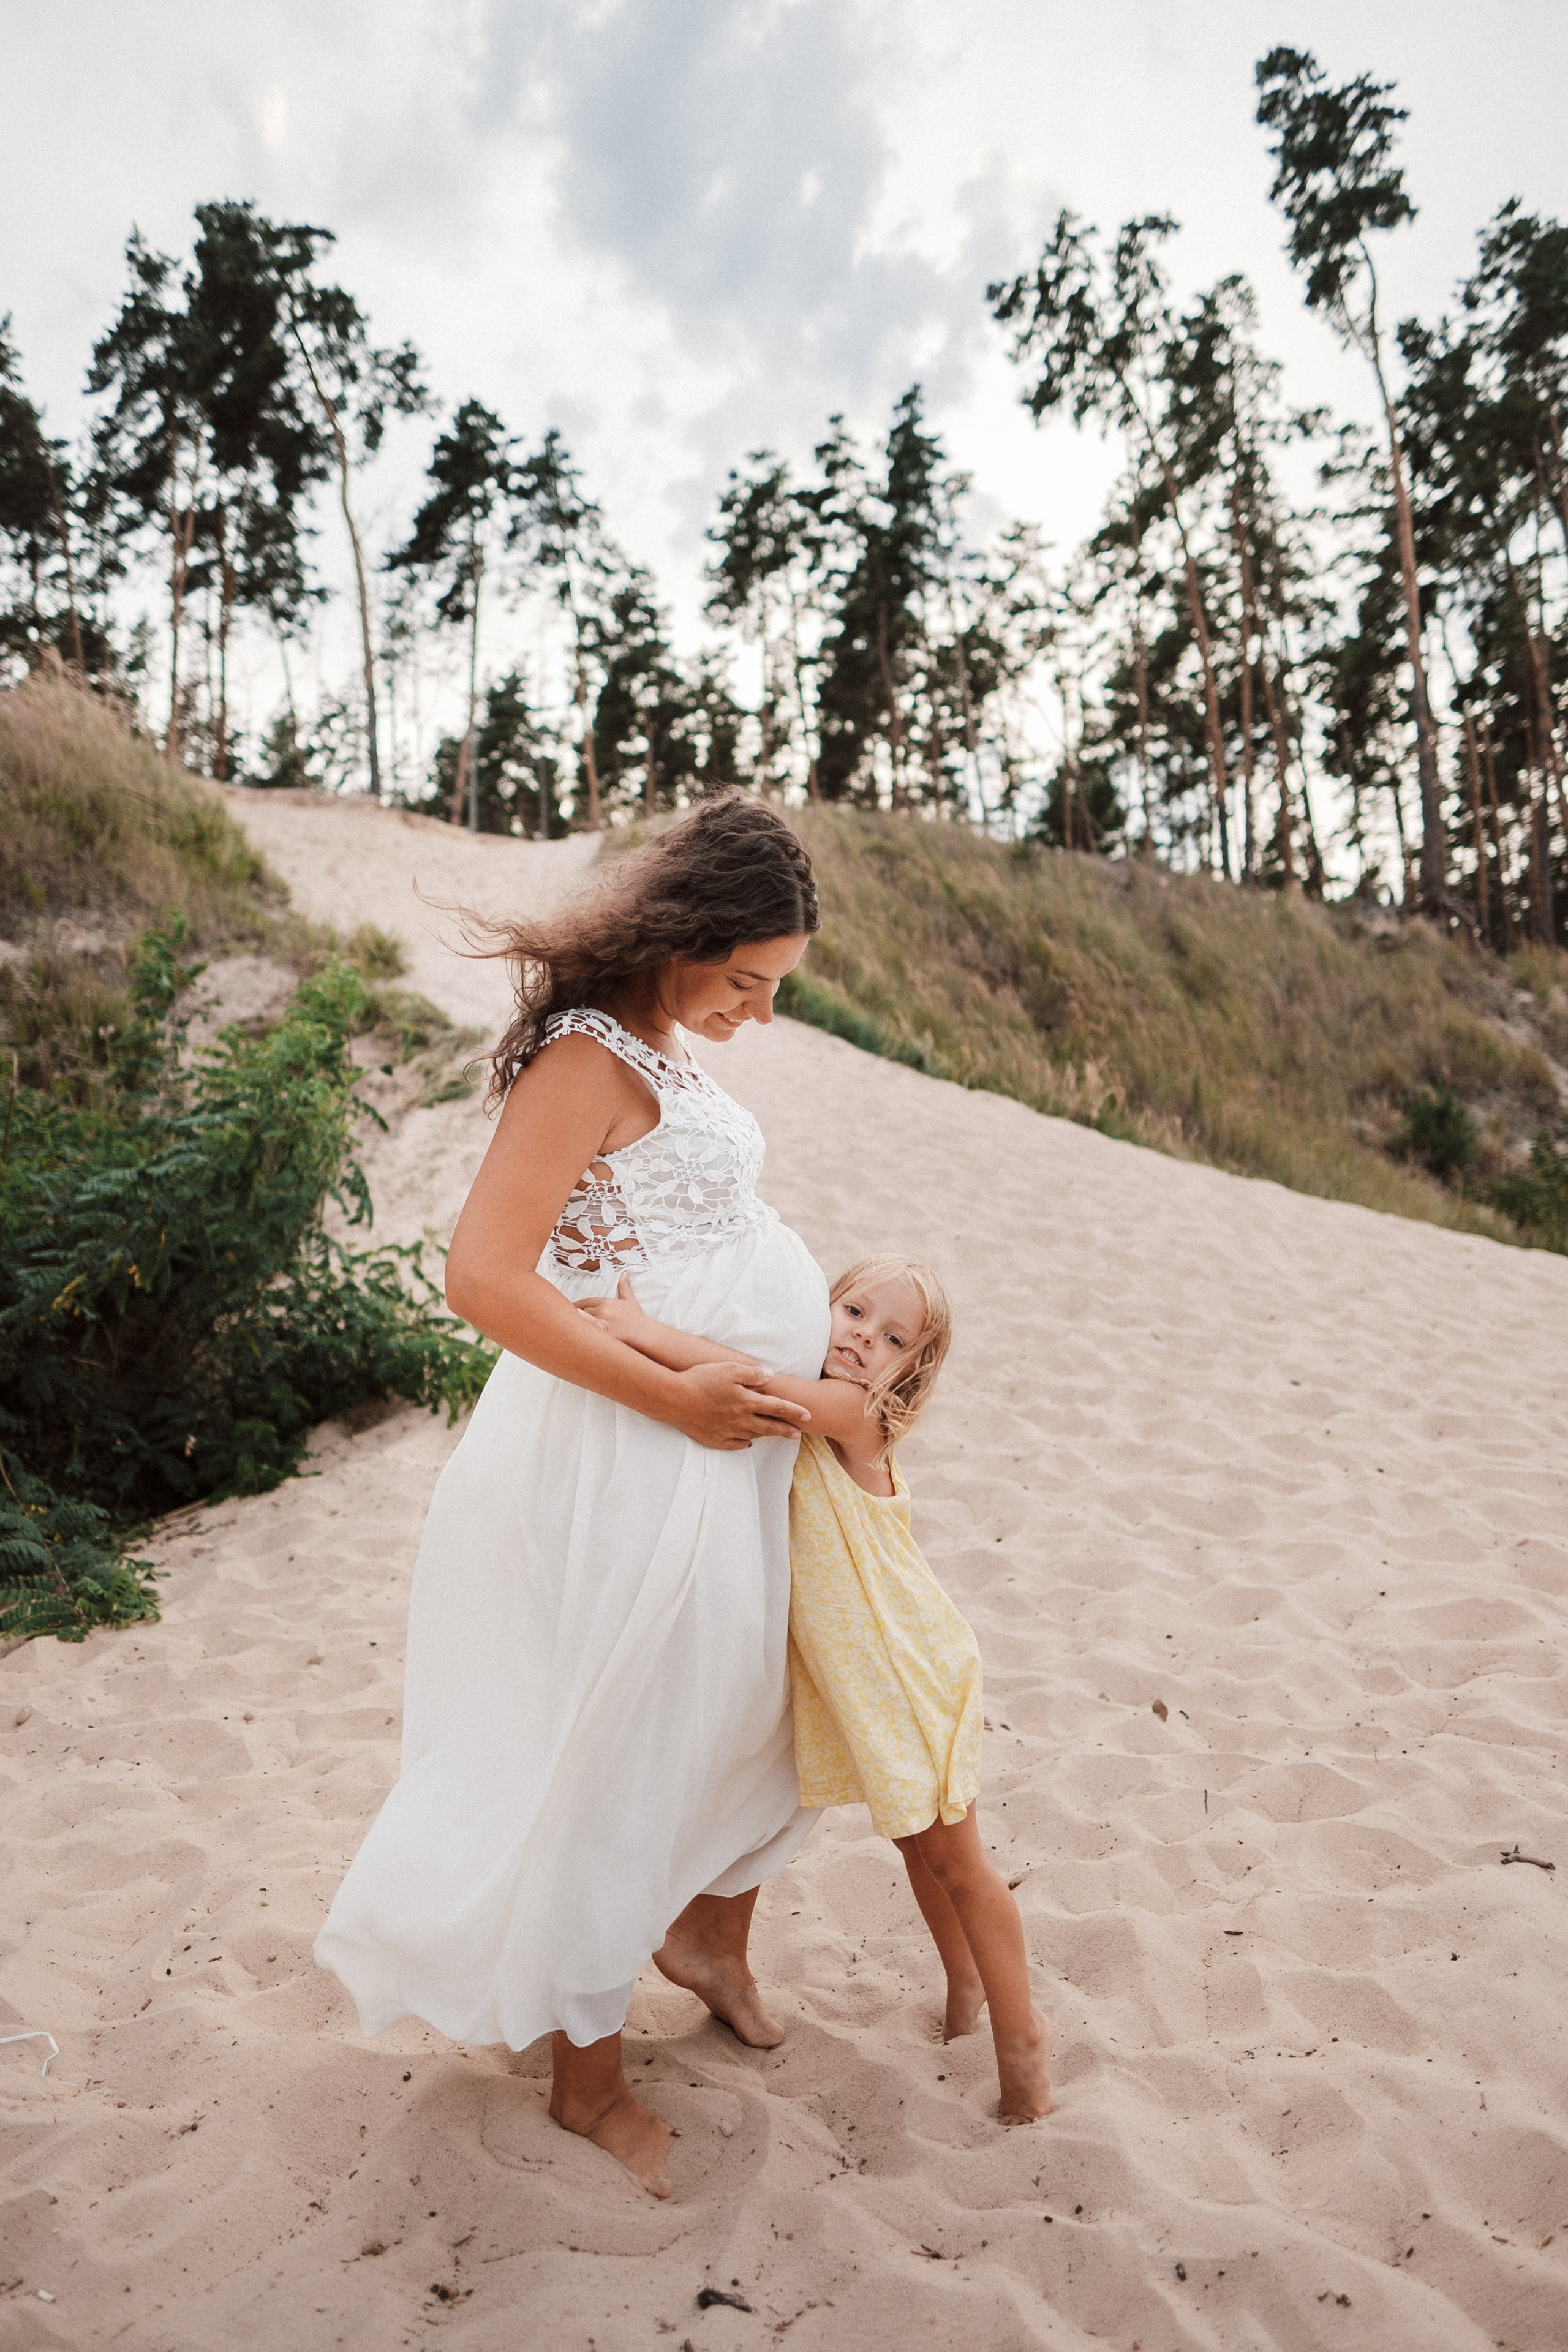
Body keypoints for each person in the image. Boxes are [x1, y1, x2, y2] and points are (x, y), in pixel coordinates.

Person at [315, 796, 832, 2202]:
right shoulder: (583, 1057)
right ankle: (586, 2084)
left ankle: (709, 1937)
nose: (758, 1015)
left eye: (773, 989)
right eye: (744, 982)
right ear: (678, 939)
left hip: (715, 1435)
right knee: (626, 1739)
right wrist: (675, 1393)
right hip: (636, 1449)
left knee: (754, 1705)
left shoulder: (662, 1039)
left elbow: (636, 1254)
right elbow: (485, 1278)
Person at [580, 1253, 1054, 2125]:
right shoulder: (827, 1392)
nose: (865, 1340)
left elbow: (755, 1384)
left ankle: (1025, 2053)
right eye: (855, 1314)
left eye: (893, 1339)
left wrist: (645, 1334)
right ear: (822, 1307)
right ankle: (963, 1989)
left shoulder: (853, 1415)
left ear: (911, 1370)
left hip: (910, 1668)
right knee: (921, 1848)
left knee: (959, 1862)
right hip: (876, 1677)